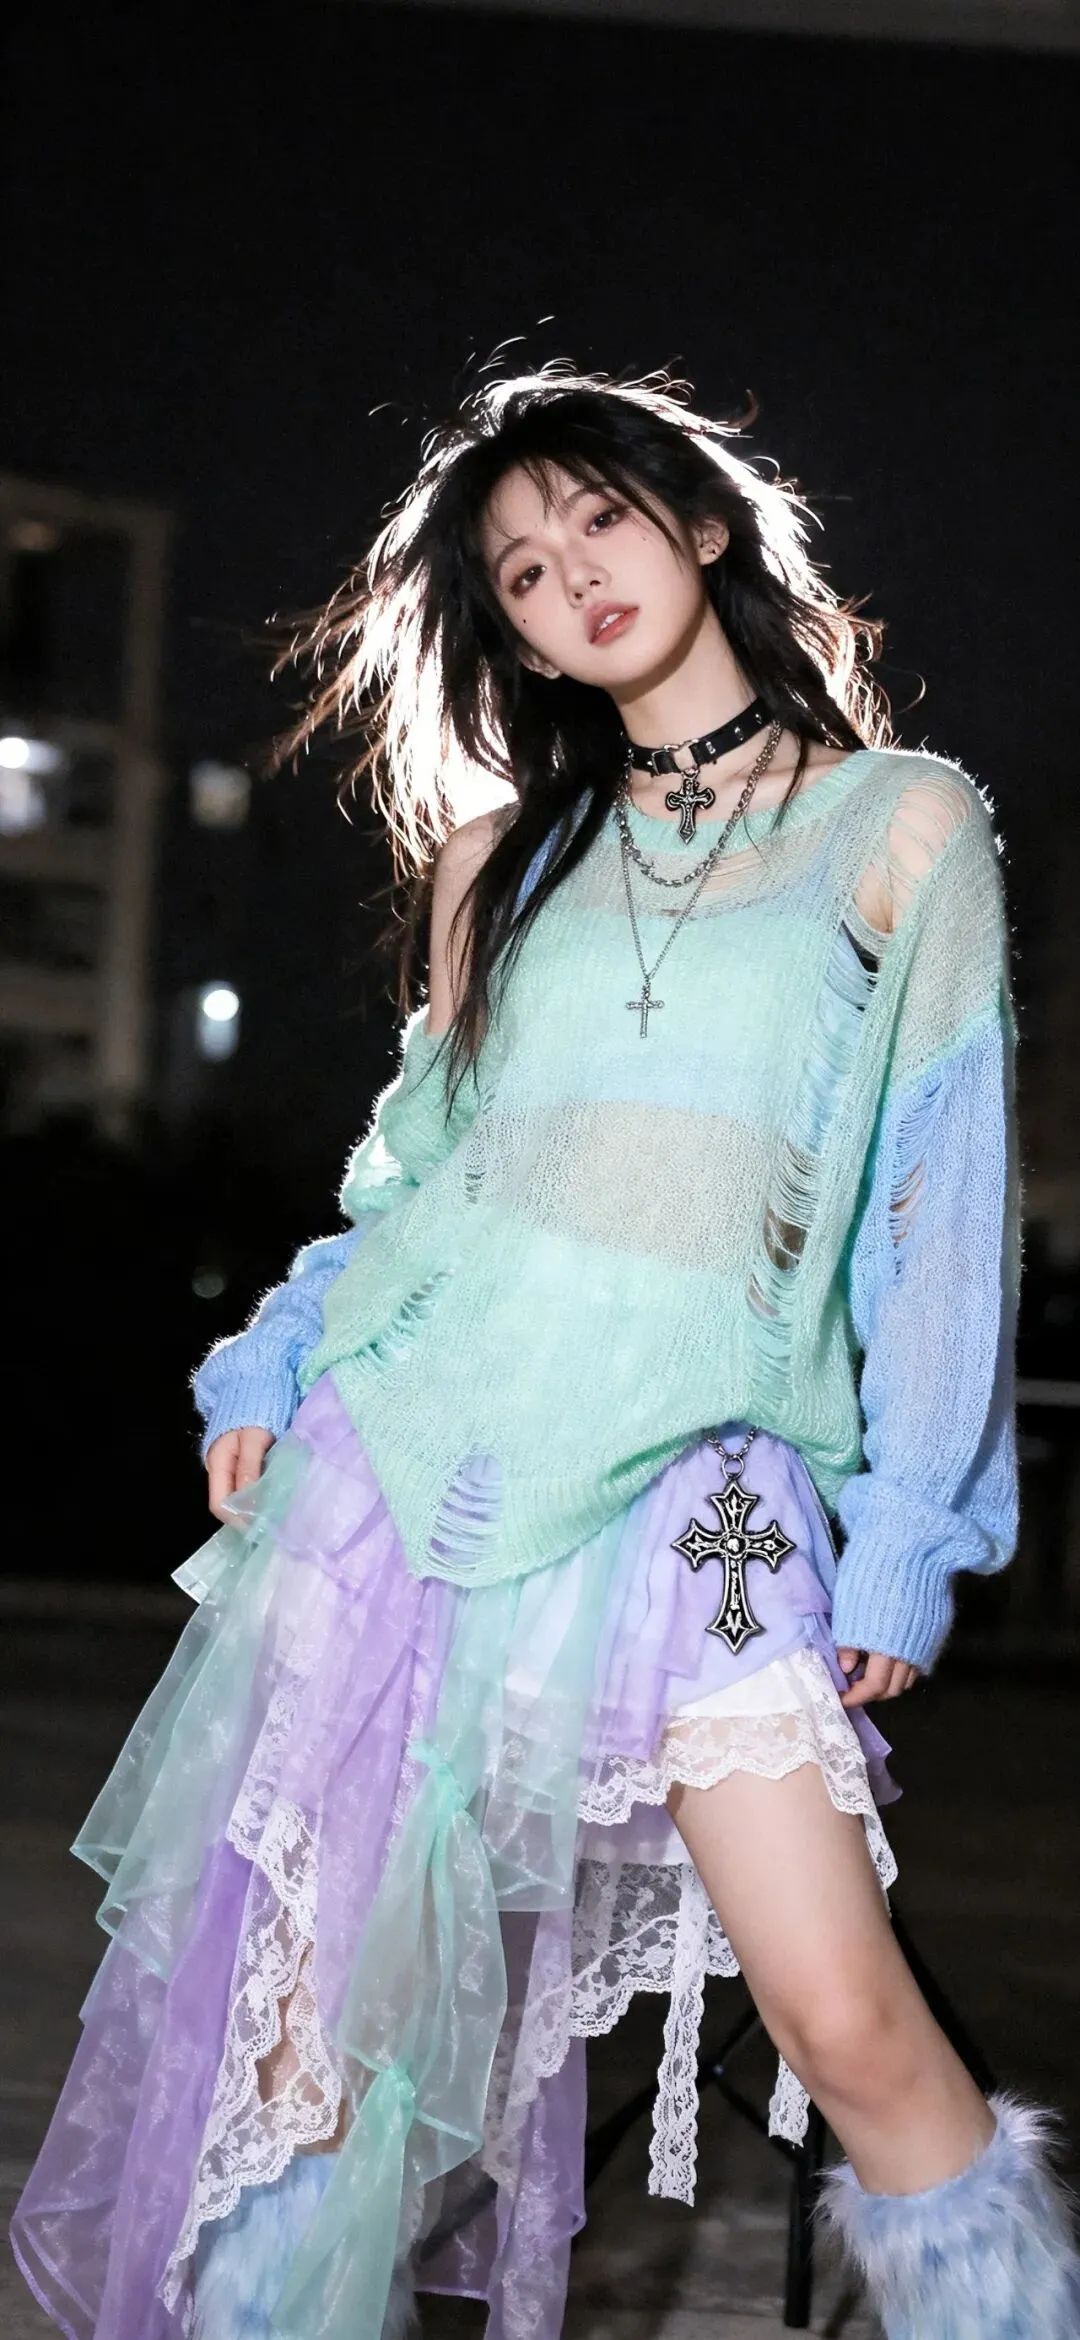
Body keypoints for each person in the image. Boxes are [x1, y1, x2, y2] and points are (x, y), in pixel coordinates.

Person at [12, 366, 1079, 2340]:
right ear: (508, 637)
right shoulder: (496, 860)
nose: (566, 573)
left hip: (710, 1498)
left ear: (702, 525)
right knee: (321, 2068)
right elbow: (427, 1183)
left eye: (598, 517)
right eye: (517, 568)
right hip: (421, 1469)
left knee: (847, 2021)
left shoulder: (904, 825)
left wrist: (913, 1533)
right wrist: (275, 1357)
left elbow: (942, 1211)